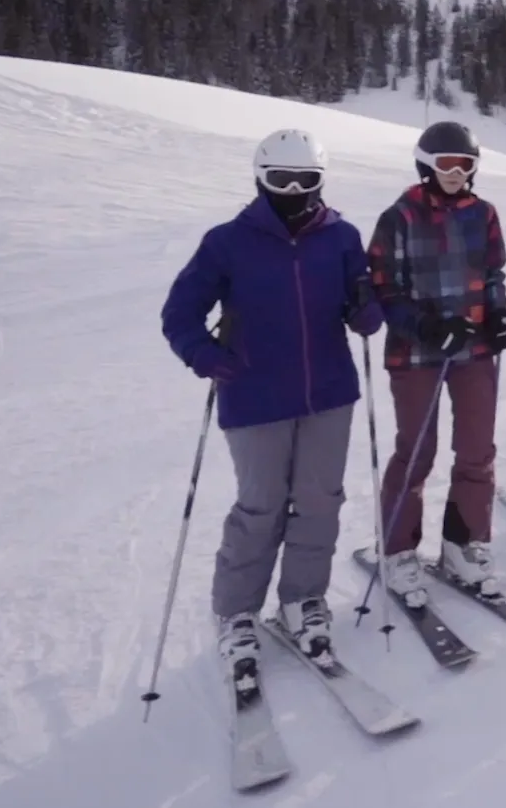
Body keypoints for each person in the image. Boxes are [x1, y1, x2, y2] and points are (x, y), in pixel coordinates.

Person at [161, 128, 382, 669]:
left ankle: (303, 599)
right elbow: (179, 314)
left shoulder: (342, 237)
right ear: (261, 180)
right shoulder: (227, 242)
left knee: (320, 501)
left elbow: (364, 296)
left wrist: (366, 310)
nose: (294, 191)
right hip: (254, 395)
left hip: (328, 392)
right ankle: (237, 611)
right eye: (282, 179)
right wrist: (203, 354)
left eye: (306, 180)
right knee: (260, 506)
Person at [364, 120, 506, 604]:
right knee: (416, 451)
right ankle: (399, 550)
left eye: (465, 165)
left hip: (474, 349)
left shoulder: (483, 214)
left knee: (476, 449)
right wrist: (427, 326)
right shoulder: (399, 217)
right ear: (426, 165)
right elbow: (384, 289)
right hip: (417, 353)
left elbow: (493, 275)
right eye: (447, 164)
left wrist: (499, 313)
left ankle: (463, 543)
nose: (456, 173)